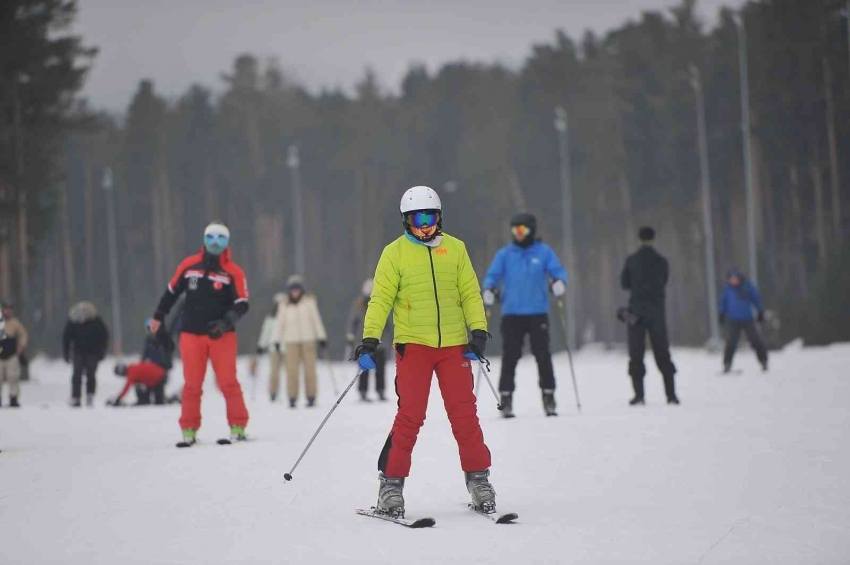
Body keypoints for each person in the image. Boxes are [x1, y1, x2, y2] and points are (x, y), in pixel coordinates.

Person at [354, 185, 496, 518]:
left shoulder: (456, 249)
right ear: (407, 220)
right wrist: (370, 339)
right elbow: (381, 299)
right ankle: (391, 486)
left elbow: (471, 294)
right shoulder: (395, 253)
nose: (425, 225)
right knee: (410, 416)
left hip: (453, 347)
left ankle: (479, 480)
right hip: (414, 346)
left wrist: (478, 332)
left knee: (464, 415)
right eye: (418, 218)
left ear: (439, 217)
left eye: (430, 217)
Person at [148, 221, 250, 445]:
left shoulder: (233, 271)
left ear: (227, 242)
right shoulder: (189, 265)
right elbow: (171, 293)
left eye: (220, 238)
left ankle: (238, 425)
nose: (215, 242)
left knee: (227, 382)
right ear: (204, 239)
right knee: (192, 384)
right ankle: (189, 429)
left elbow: (242, 303)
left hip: (221, 336)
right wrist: (158, 317)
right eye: (211, 237)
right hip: (191, 335)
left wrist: (224, 323)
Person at [482, 212, 568, 418]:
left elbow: (558, 272)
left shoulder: (543, 252)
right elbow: (492, 276)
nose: (518, 234)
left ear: (531, 230)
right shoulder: (505, 254)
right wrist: (489, 288)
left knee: (543, 355)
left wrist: (559, 283)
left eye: (522, 230)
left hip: (537, 313)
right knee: (510, 356)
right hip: (512, 314)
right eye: (515, 230)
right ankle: (506, 397)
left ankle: (548, 395)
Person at [620, 226, 679, 405]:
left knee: (636, 354)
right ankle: (671, 395)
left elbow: (624, 284)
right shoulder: (662, 261)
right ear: (654, 238)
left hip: (636, 312)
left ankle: (639, 395)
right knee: (662, 352)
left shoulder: (631, 260)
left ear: (639, 238)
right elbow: (664, 281)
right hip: (657, 312)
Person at [273, 275, 328, 408]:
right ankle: (292, 397)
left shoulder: (309, 302)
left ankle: (311, 396)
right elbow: (280, 323)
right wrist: (277, 339)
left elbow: (316, 320)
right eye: (293, 289)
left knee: (310, 370)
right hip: (290, 341)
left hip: (308, 339)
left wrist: (321, 337)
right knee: (292, 371)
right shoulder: (284, 304)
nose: (295, 292)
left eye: (298, 289)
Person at [108, 319, 175, 406]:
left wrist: (166, 367)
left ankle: (162, 400)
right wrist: (142, 365)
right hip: (151, 370)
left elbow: (167, 354)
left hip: (160, 370)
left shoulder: (163, 339)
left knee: (158, 397)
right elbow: (145, 354)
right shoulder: (148, 340)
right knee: (148, 389)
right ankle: (145, 400)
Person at [719, 269, 768, 373]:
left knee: (755, 340)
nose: (733, 281)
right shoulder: (727, 289)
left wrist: (760, 311)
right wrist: (721, 314)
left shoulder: (747, 287)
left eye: (735, 279)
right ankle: (727, 364)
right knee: (731, 342)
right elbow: (723, 302)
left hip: (747, 319)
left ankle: (763, 361)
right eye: (731, 279)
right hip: (733, 320)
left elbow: (756, 299)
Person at [63, 302, 109, 407]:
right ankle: (76, 397)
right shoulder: (72, 322)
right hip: (78, 352)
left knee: (91, 375)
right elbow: (66, 338)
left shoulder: (96, 321)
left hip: (93, 353)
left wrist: (102, 352)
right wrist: (66, 353)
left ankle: (90, 395)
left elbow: (104, 337)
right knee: (76, 375)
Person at [347, 278, 386, 402]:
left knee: (380, 369)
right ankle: (363, 391)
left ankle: (380, 391)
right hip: (363, 342)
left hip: (380, 342)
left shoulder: (382, 303)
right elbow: (353, 321)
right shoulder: (359, 305)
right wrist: (350, 334)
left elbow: (388, 323)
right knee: (364, 368)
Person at [252, 294, 285, 402]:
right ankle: (273, 392)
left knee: (291, 372)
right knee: (274, 372)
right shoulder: (271, 318)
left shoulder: (289, 316)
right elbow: (266, 333)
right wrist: (261, 345)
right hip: (274, 349)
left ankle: (290, 394)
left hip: (287, 348)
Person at [0, 301, 28, 408]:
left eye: (10, 309)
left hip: (12, 354)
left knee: (13, 377)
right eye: (7, 309)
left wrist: (21, 346)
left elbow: (23, 334)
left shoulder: (15, 322)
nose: (9, 311)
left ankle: (13, 398)